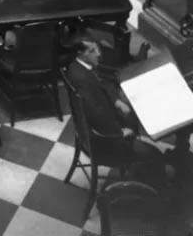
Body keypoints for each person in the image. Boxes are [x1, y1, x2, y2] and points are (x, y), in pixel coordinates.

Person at [66, 37, 170, 188]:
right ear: (80, 53)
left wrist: (116, 100)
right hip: (103, 143)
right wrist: (120, 132)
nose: (98, 54)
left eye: (97, 49)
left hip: (96, 128)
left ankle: (137, 155)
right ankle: (159, 192)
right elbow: (97, 115)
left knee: (129, 108)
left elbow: (102, 82)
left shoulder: (78, 67)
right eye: (92, 51)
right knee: (155, 155)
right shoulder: (82, 80)